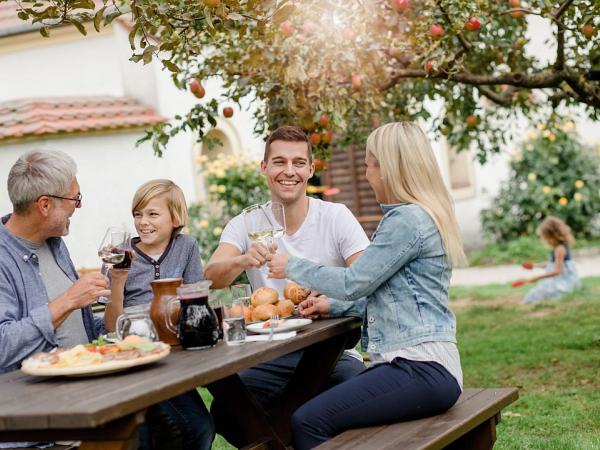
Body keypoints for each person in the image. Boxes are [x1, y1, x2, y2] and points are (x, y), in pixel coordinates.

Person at [267, 121, 467, 449]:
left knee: (308, 421)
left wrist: (292, 265)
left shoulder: (406, 220)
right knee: (320, 412)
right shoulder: (418, 216)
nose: (365, 172)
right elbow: (390, 296)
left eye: (369, 163)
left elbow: (354, 281)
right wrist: (333, 306)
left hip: (420, 369)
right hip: (425, 368)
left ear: (387, 169)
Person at [204, 125, 370, 447]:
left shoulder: (336, 217)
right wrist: (240, 261)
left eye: (298, 162)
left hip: (335, 352)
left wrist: (327, 293)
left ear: (311, 169)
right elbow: (211, 275)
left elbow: (365, 281)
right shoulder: (246, 223)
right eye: (279, 162)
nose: (289, 171)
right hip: (269, 354)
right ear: (264, 168)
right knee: (226, 410)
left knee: (352, 399)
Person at [0, 150, 109, 448]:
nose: (79, 206)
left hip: (91, 409)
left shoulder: (56, 245)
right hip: (35, 431)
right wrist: (69, 300)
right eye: (75, 199)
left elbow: (81, 331)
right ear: (45, 205)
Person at [103, 179, 215, 450]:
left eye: (153, 214)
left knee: (201, 429)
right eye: (138, 214)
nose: (143, 222)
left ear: (175, 217)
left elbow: (197, 301)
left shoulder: (186, 246)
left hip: (173, 359)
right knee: (161, 432)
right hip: (134, 359)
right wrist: (117, 281)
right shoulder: (122, 254)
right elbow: (110, 327)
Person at [513, 216, 580, 304]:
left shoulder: (560, 249)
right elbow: (553, 264)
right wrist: (534, 266)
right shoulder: (560, 247)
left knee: (537, 293)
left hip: (562, 282)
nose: (545, 240)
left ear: (553, 236)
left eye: (546, 237)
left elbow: (557, 271)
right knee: (536, 292)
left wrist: (537, 278)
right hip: (562, 280)